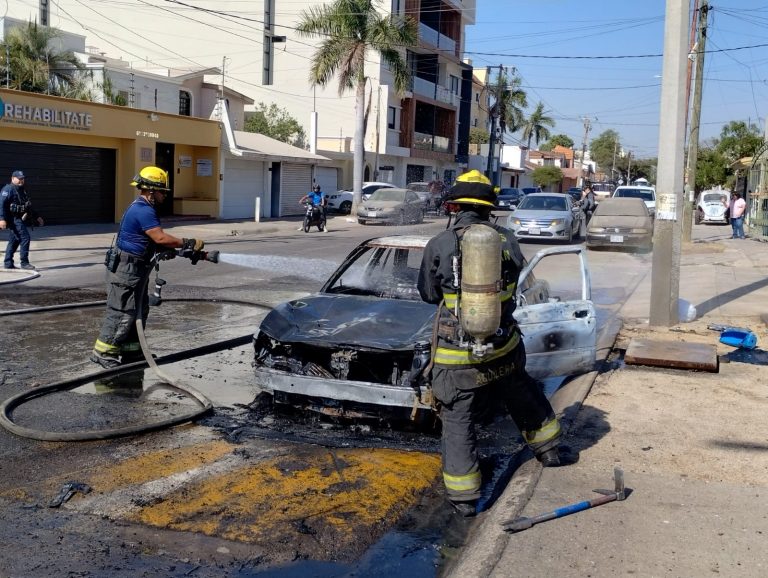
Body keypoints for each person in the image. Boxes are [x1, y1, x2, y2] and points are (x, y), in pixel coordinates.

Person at [417, 169, 569, 518]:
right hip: (503, 346)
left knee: (458, 422)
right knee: (522, 393)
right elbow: (516, 284)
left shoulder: (440, 243)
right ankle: (549, 451)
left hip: (458, 358)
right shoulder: (506, 239)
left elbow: (427, 294)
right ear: (489, 207)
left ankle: (465, 499)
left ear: (454, 206)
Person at [91, 166, 206, 368]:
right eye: (162, 191)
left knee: (139, 310)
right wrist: (186, 242)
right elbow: (160, 237)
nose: (164, 195)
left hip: (136, 269)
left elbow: (151, 240)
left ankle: (132, 352)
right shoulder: (142, 210)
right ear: (151, 190)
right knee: (122, 311)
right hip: (126, 270)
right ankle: (103, 352)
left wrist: (166, 250)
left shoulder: (144, 208)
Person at [0, 170, 44, 270]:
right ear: (12, 178)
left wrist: (37, 216)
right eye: (19, 179)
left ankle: (8, 263)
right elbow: (1, 205)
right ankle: (24, 262)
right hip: (12, 218)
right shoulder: (8, 189)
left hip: (19, 218)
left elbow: (27, 205)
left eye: (22, 179)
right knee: (25, 238)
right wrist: (1, 219)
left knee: (14, 240)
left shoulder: (22, 189)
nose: (21, 180)